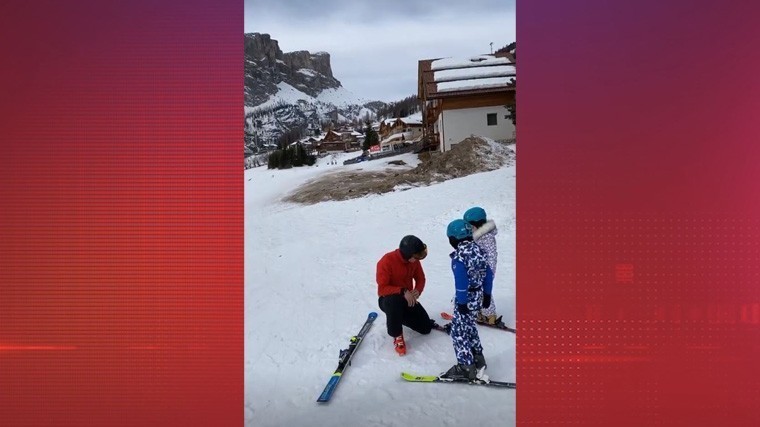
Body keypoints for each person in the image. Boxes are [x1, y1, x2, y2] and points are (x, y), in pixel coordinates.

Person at [441, 219, 494, 381]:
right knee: (470, 326)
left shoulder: (459, 256)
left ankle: (466, 367)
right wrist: (487, 295)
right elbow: (489, 275)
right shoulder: (478, 250)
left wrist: (462, 302)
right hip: (478, 295)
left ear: (453, 239)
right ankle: (478, 358)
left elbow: (461, 282)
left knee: (458, 332)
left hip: (467, 298)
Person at [376, 235, 434, 356]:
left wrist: (418, 290)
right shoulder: (386, 261)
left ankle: (397, 317)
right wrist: (402, 291)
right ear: (408, 255)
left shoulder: (414, 261)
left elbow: (420, 278)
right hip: (388, 300)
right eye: (416, 256)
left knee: (426, 328)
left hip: (407, 299)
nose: (418, 259)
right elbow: (382, 289)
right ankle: (397, 334)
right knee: (394, 301)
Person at [463, 206, 501, 325]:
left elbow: (492, 255)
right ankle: (479, 311)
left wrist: (489, 272)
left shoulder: (487, 237)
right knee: (475, 290)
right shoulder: (476, 235)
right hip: (476, 269)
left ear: (476, 224)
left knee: (484, 291)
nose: (468, 228)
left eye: (469, 225)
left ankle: (490, 315)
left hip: (486, 270)